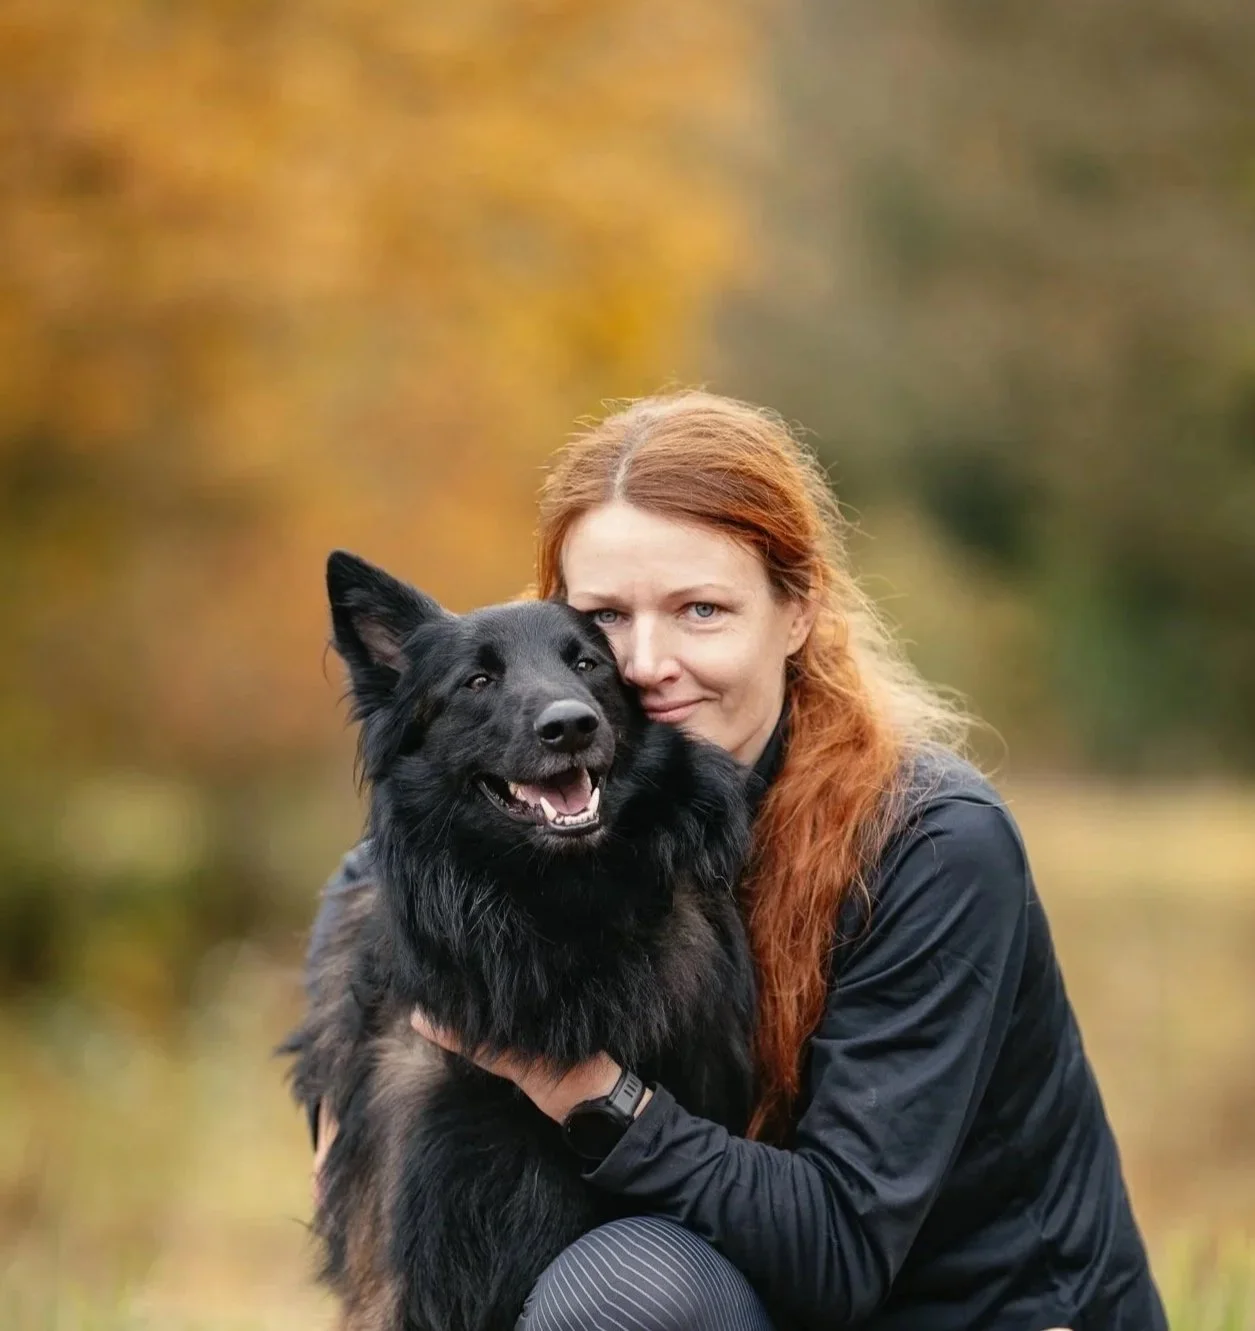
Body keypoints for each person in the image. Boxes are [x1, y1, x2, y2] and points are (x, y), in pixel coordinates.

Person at [304, 392, 1167, 1331]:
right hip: (762, 1302)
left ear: (796, 612)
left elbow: (839, 1250)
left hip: (973, 1315)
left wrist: (582, 1092)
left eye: (701, 610)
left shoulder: (931, 844)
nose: (645, 662)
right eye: (605, 617)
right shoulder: (569, 807)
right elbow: (375, 879)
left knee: (631, 1288)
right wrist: (349, 1106)